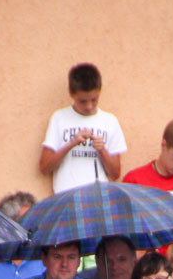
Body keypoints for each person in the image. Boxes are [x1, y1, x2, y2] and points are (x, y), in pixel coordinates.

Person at [39, 62, 127, 194]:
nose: (89, 106)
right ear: (71, 93)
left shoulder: (110, 121)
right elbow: (44, 167)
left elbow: (115, 174)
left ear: (99, 91)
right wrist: (72, 143)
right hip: (66, 197)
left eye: (94, 100)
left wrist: (102, 149)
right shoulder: (59, 118)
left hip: (97, 197)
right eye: (82, 101)